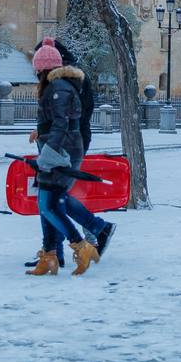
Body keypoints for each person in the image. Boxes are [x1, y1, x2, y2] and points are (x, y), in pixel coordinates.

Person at [25, 39, 115, 272]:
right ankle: (53, 252)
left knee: (51, 201)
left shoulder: (60, 86)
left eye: (36, 65)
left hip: (62, 148)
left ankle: (78, 241)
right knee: (52, 200)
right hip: (62, 145)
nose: (35, 72)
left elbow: (65, 121)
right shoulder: (64, 82)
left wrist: (52, 150)